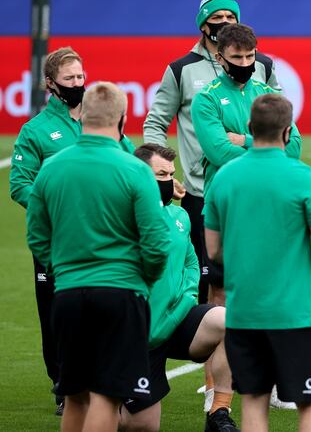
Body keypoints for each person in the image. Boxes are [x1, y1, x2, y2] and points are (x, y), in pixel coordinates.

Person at [26, 82, 171, 432]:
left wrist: (62, 270)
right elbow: (157, 241)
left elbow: (36, 236)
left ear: (83, 117)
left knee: (76, 395)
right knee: (107, 397)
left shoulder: (52, 168)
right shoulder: (134, 170)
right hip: (120, 292)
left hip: (69, 294)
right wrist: (142, 278)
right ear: (121, 118)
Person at [9, 47, 134, 416]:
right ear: (51, 84)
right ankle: (65, 384)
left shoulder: (101, 121)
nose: (78, 84)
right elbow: (20, 185)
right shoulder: (35, 131)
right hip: (56, 238)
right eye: (69, 79)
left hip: (104, 234)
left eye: (81, 77)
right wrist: (61, 209)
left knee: (105, 306)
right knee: (55, 313)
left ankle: (105, 378)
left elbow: (128, 161)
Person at [204, 94, 311, 432]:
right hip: (295, 312)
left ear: (250, 128)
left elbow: (214, 250)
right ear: (288, 132)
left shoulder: (224, 177)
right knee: (309, 402)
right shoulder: (303, 176)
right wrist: (300, 266)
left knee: (253, 400)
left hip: (245, 312)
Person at [143, 0, 279, 305]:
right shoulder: (181, 70)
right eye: (217, 16)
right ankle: (212, 349)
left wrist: (245, 141)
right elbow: (155, 122)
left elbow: (282, 125)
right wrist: (160, 171)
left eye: (231, 16)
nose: (225, 22)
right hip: (201, 191)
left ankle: (237, 349)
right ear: (203, 24)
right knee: (208, 281)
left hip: (257, 188)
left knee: (254, 275)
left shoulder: (262, 67)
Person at [191, 21, 301, 410]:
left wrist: (246, 140)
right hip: (226, 212)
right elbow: (218, 151)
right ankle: (214, 389)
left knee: (270, 297)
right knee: (220, 301)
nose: (245, 63)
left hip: (268, 212)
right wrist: (266, 145)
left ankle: (267, 384)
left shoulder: (268, 94)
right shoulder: (206, 99)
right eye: (236, 57)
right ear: (219, 57)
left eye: (250, 57)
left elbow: (296, 147)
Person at [118, 144, 236, 432]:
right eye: (161, 174)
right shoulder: (121, 218)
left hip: (175, 319)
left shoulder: (179, 217)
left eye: (172, 174)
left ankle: (219, 413)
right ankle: (85, 403)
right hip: (136, 333)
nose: (169, 181)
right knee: (143, 425)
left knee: (231, 321)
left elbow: (192, 267)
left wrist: (181, 304)